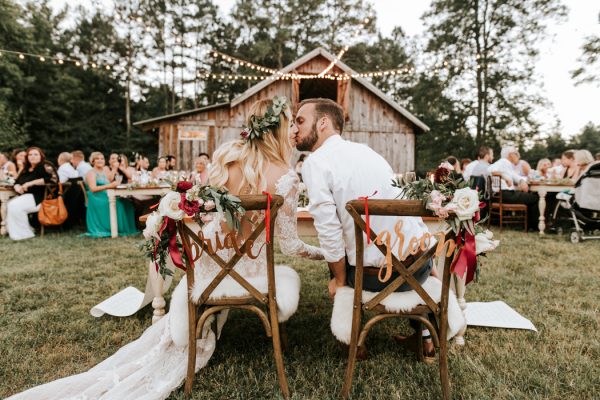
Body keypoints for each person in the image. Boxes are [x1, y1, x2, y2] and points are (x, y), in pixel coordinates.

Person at [6, 97, 324, 400]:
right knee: (277, 268)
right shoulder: (286, 178)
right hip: (251, 274)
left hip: (208, 266)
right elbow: (292, 245)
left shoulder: (228, 160)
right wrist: (326, 254)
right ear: (279, 130)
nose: (293, 132)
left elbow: (200, 213)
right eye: (289, 126)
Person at [292, 98, 443, 360]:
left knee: (339, 264)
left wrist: (339, 282)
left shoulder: (316, 163)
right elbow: (403, 204)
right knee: (377, 249)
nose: (294, 128)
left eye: (300, 121)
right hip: (419, 268)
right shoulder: (369, 152)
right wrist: (431, 264)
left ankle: (353, 343)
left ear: (324, 123)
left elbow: (329, 232)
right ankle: (426, 340)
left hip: (377, 277)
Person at [83, 152, 138, 237]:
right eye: (97, 159)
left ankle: (126, 229)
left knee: (127, 204)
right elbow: (93, 189)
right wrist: (110, 185)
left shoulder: (104, 171)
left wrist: (115, 181)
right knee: (118, 204)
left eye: (102, 159)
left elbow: (109, 181)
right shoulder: (91, 173)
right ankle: (113, 229)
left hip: (105, 195)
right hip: (96, 197)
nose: (100, 160)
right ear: (92, 161)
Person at [6, 147, 54, 240]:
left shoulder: (43, 166)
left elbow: (50, 179)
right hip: (26, 196)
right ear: (27, 157)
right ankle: (20, 233)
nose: (33, 156)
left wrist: (30, 183)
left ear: (41, 156)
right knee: (11, 204)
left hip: (39, 197)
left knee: (14, 205)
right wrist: (17, 187)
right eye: (30, 154)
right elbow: (17, 182)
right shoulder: (26, 169)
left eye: (36, 154)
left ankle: (25, 234)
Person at [488, 145, 539, 230]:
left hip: (502, 195)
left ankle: (528, 226)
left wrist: (522, 181)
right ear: (511, 155)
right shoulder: (503, 162)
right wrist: (505, 178)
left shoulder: (506, 164)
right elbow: (490, 169)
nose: (518, 156)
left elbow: (514, 176)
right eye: (516, 153)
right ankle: (533, 226)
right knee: (535, 198)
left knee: (530, 196)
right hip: (505, 194)